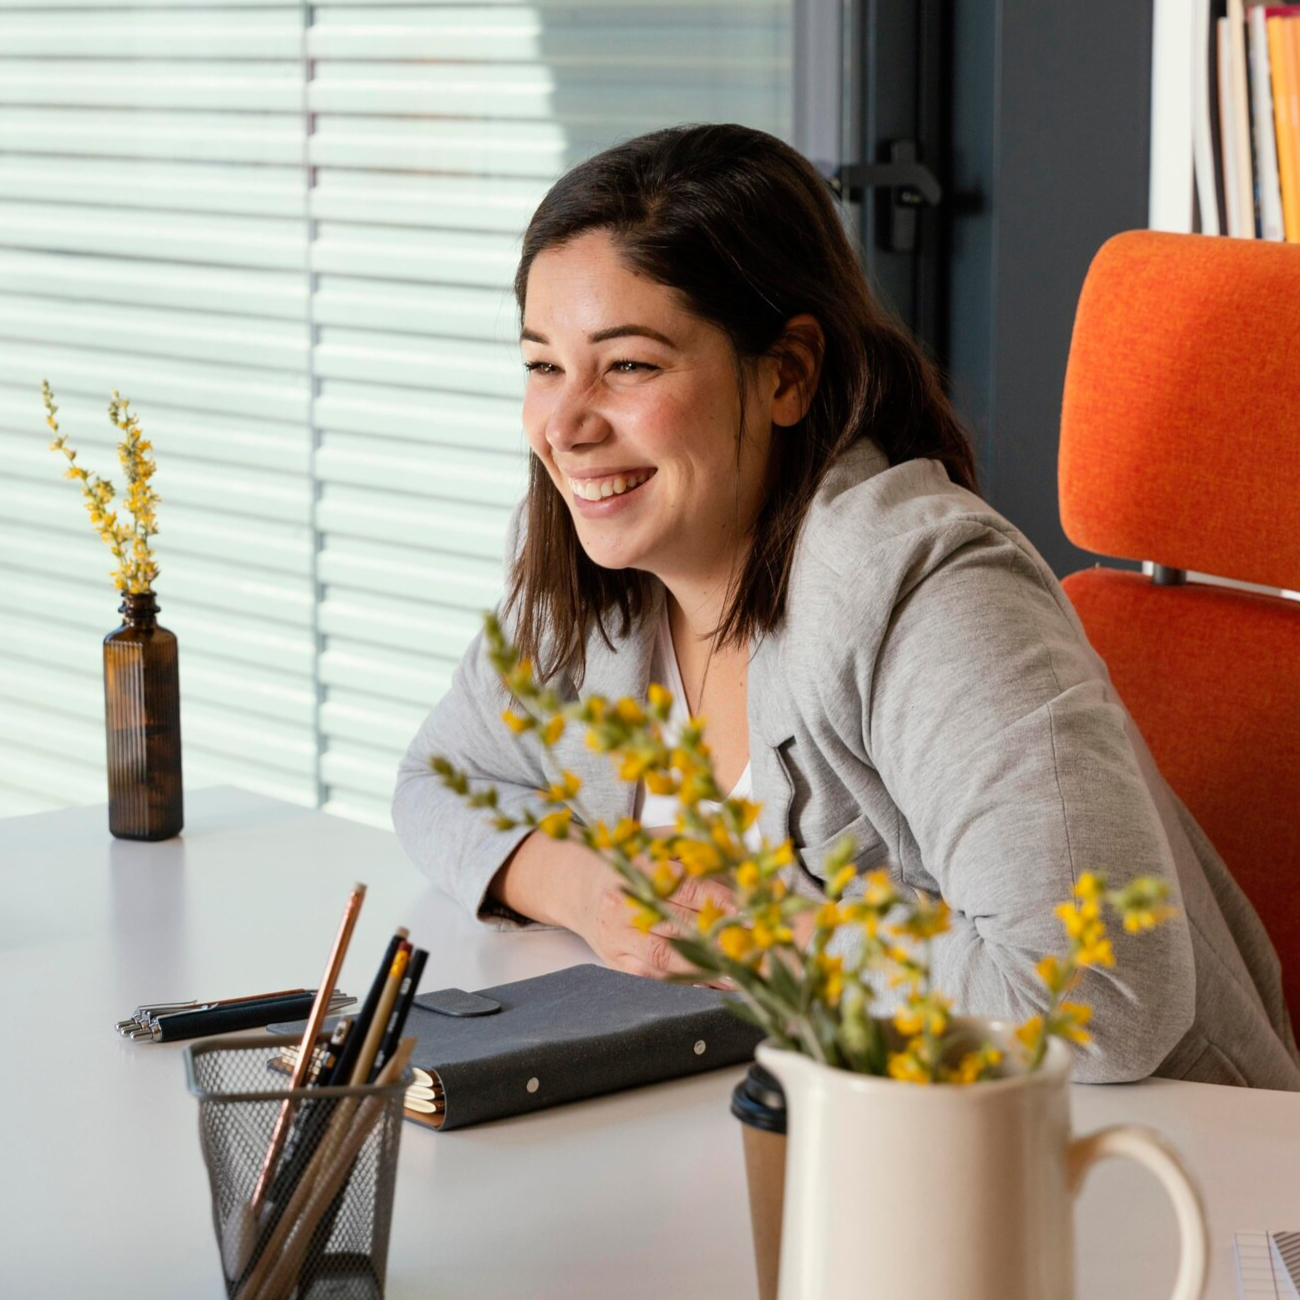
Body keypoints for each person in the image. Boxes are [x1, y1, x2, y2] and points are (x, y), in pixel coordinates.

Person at [393, 122, 1300, 1089]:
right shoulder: (595, 574)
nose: (565, 426)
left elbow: (1097, 1000)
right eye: (542, 365)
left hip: (1145, 1172)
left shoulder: (926, 594)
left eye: (630, 366)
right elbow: (438, 779)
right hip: (828, 1132)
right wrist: (587, 888)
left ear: (786, 372)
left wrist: (763, 942)